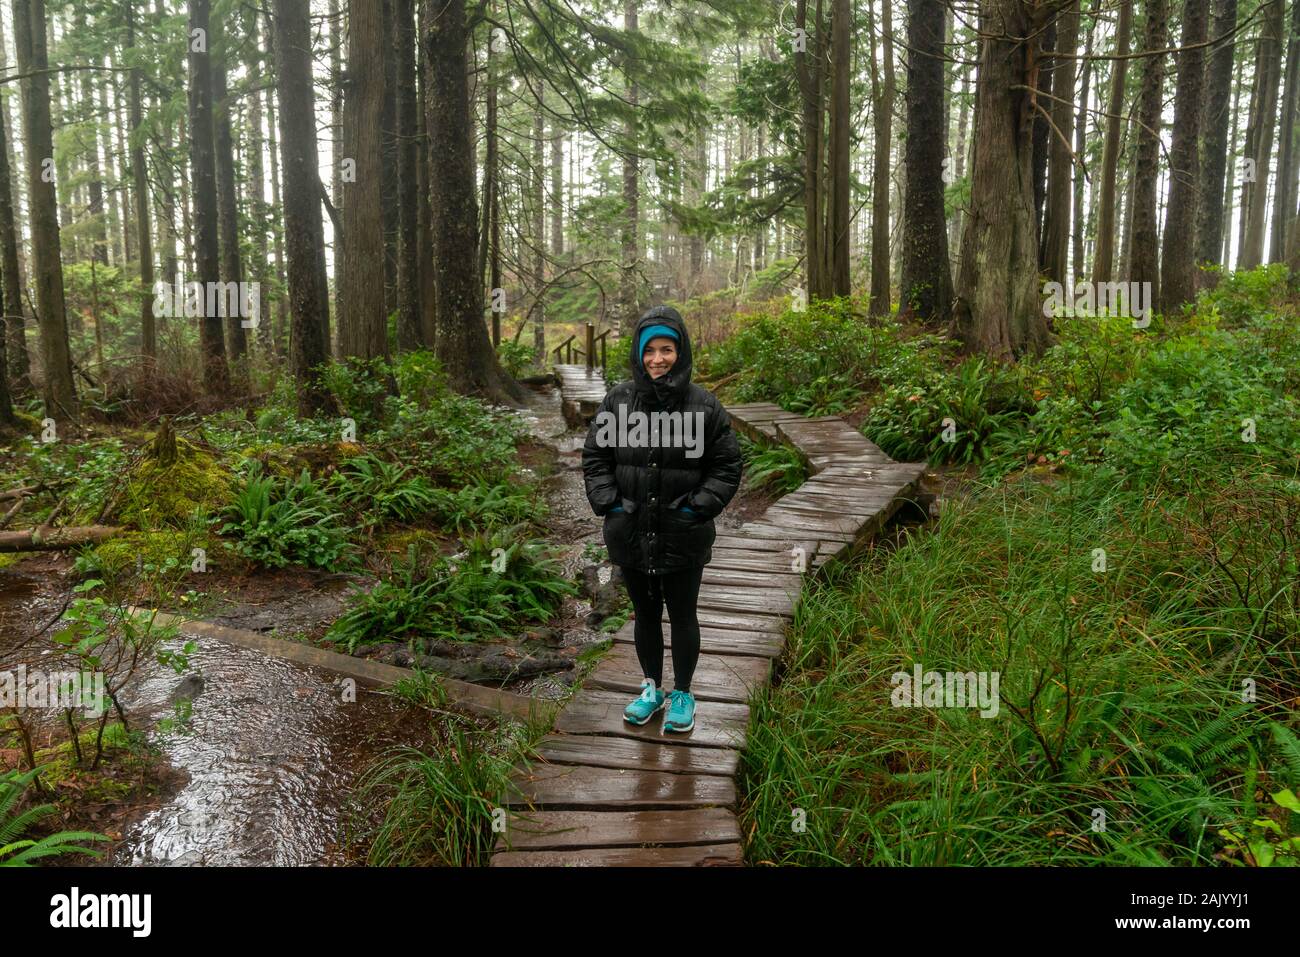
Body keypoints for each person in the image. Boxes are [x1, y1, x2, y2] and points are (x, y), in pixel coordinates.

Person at [581, 305, 743, 733]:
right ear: (638, 354)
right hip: (630, 530)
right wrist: (611, 503)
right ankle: (651, 688)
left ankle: (684, 692)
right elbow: (596, 457)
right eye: (649, 350)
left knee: (683, 614)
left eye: (666, 349)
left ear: (681, 351)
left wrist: (697, 508)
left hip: (683, 533)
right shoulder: (617, 401)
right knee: (645, 614)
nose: (658, 358)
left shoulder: (704, 406)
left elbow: (726, 467)